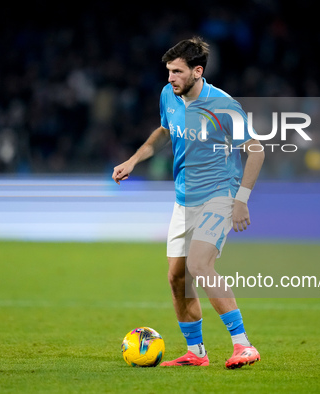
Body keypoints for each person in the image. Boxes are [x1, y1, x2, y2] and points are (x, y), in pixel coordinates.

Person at [112, 36, 265, 368]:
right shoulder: (170, 94)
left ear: (198, 71)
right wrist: (134, 160)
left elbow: (256, 149)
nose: (170, 78)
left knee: (199, 265)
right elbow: (164, 132)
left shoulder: (224, 105)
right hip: (184, 200)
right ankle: (196, 353)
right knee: (176, 277)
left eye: (177, 72)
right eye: (168, 71)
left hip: (219, 196)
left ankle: (243, 345)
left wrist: (241, 200)